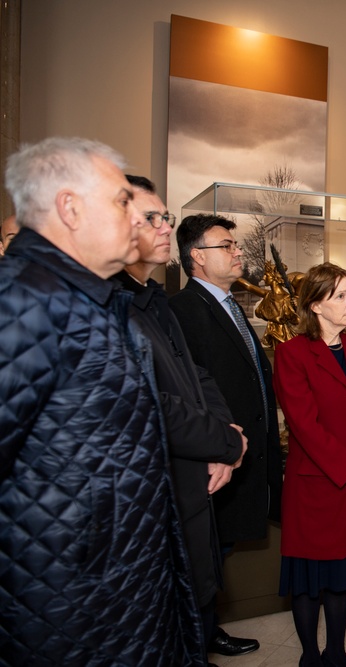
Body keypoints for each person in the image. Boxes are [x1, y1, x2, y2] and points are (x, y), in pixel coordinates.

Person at [0, 137, 201, 663]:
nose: (135, 219)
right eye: (121, 202)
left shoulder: (88, 300)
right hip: (63, 608)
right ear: (69, 208)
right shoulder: (20, 301)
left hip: (116, 594)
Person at [113, 176, 249, 662]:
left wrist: (225, 436)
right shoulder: (108, 303)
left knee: (195, 606)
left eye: (165, 217)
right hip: (152, 495)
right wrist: (226, 444)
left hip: (193, 483)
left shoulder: (153, 301)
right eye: (153, 218)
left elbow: (196, 379)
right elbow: (150, 400)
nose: (165, 226)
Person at [170, 213, 284, 657]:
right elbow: (189, 391)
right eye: (226, 245)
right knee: (203, 549)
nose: (238, 251)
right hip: (213, 456)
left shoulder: (230, 304)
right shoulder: (183, 311)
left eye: (235, 244)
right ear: (197, 256)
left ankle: (207, 629)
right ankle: (195, 638)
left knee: (220, 546)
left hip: (241, 453)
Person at [272, 263, 346, 667]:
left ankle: (336, 652)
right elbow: (304, 425)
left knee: (343, 575)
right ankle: (310, 656)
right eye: (340, 295)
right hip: (317, 487)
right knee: (309, 581)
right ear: (316, 305)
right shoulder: (292, 354)